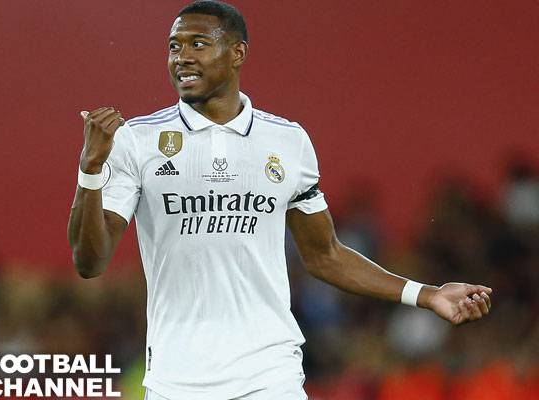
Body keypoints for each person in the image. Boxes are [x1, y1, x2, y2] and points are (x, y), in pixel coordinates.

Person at [67, 1, 492, 399]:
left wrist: (427, 294)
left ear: (237, 53)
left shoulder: (287, 142)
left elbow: (325, 254)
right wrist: (90, 170)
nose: (182, 58)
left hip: (270, 376)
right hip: (176, 380)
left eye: (198, 44)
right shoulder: (138, 140)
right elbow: (90, 262)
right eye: (174, 47)